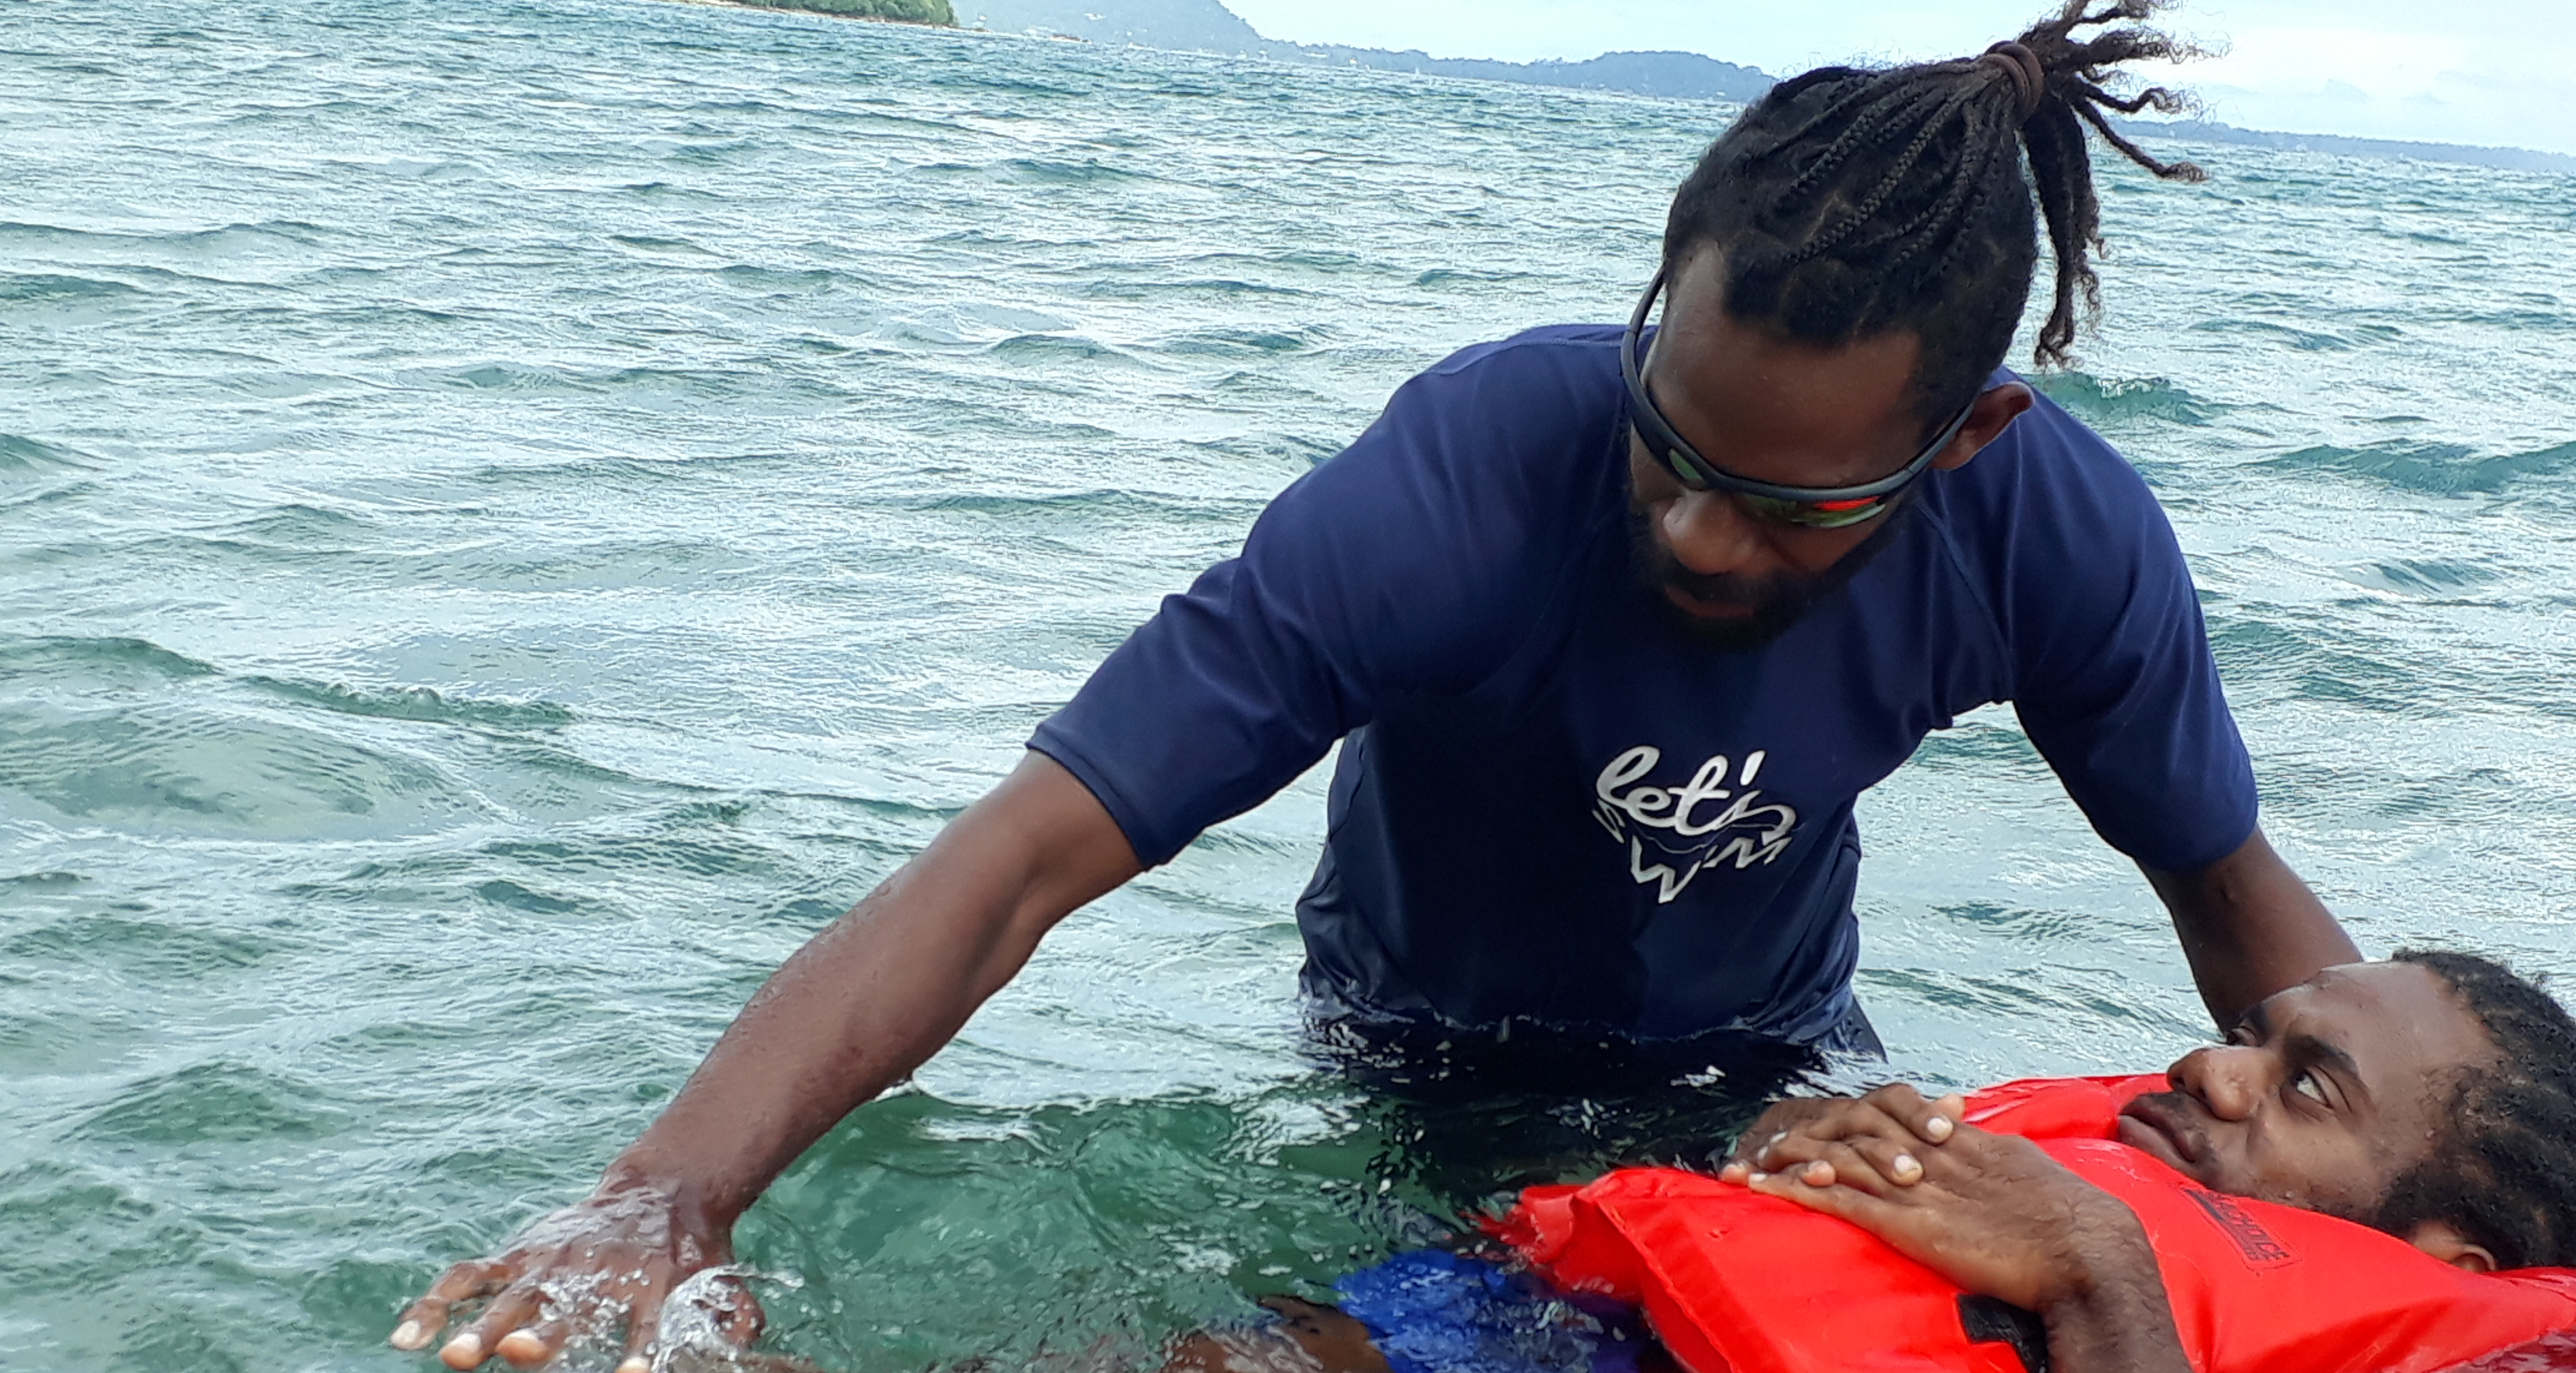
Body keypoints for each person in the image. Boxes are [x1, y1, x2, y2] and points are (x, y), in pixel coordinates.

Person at [392, 4, 2365, 1369]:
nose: (1694, 531)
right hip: (1424, 1053)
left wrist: (2465, 1249)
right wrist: (660, 1196)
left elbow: (2247, 927)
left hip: (1775, 1051)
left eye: (1789, 508)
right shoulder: (1462, 485)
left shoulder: (2057, 535)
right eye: (1668, 444)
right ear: (1652, 305)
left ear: (1963, 442)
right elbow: (1013, 863)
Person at [1171, 950, 2576, 1373]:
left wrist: (2099, 1275)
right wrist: (1776, 1161)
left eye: (2305, 1089)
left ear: (2445, 1263)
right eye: (2253, 1030)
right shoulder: (2054, 1153)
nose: (2213, 1066)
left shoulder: (2444, 1351)